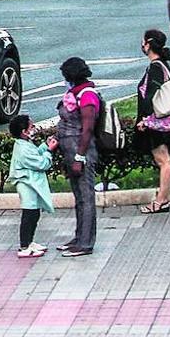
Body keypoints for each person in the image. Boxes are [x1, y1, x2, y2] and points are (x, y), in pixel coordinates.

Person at [56, 56, 100, 257]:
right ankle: (79, 237)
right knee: (79, 197)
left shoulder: (87, 95)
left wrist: (79, 158)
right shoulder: (74, 92)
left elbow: (88, 128)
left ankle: (86, 243)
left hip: (81, 152)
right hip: (70, 150)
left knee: (86, 197)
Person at [137, 28, 170, 214]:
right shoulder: (161, 65)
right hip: (165, 121)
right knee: (164, 160)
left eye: (143, 42)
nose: (141, 45)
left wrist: (145, 120)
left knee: (163, 161)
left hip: (157, 123)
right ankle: (162, 198)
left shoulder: (155, 67)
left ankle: (161, 201)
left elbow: (151, 95)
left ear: (148, 44)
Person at [8, 114, 59, 257]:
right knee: (29, 214)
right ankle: (24, 246)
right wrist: (49, 151)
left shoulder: (24, 144)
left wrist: (44, 146)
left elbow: (36, 154)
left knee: (34, 213)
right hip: (26, 184)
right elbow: (41, 163)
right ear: (24, 131)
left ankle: (29, 242)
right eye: (31, 126)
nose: (34, 128)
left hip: (30, 184)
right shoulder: (23, 149)